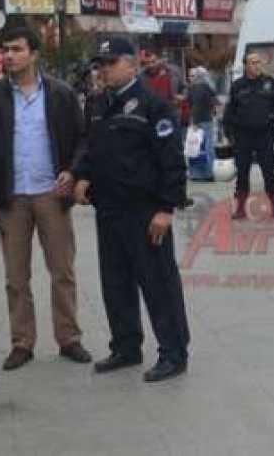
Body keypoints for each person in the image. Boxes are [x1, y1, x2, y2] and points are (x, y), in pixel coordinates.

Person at [0, 26, 92, 372]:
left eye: (17, 49)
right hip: (12, 199)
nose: (9, 55)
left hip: (51, 196)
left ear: (34, 54)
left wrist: (72, 171)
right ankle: (22, 342)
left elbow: (83, 138)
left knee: (62, 272)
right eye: (5, 49)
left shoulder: (60, 93)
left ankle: (69, 338)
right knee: (15, 277)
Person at [72, 38, 190, 382]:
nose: (103, 70)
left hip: (145, 212)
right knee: (116, 283)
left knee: (158, 284)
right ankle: (125, 346)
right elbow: (91, 149)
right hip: (109, 209)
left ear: (131, 64)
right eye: (100, 64)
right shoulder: (98, 104)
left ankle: (173, 351)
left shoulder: (153, 106)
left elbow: (171, 161)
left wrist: (166, 209)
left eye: (110, 63)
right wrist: (81, 175)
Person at [223, 51, 274, 220]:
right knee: (242, 173)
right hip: (243, 136)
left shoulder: (270, 83)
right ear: (245, 65)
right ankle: (240, 209)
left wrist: (271, 117)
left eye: (258, 62)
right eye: (252, 62)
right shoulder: (238, 85)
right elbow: (229, 112)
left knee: (269, 172)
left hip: (264, 135)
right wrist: (228, 133)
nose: (256, 65)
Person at [185, 67, 218, 181]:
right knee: (206, 146)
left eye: (193, 76)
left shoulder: (197, 88)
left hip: (199, 121)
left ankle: (200, 174)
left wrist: (194, 121)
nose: (191, 78)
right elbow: (212, 102)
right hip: (207, 119)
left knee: (196, 148)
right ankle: (208, 172)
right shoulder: (207, 87)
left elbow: (195, 105)